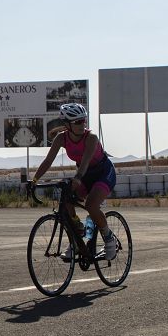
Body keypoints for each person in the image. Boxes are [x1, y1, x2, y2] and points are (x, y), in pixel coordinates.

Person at [29, 103, 119, 260]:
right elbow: (48, 161)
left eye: (83, 120)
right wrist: (34, 180)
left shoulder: (91, 138)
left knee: (91, 205)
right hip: (84, 175)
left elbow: (84, 163)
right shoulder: (61, 138)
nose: (81, 124)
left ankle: (109, 239)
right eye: (77, 122)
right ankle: (77, 236)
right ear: (67, 125)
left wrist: (77, 178)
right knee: (66, 199)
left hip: (103, 172)